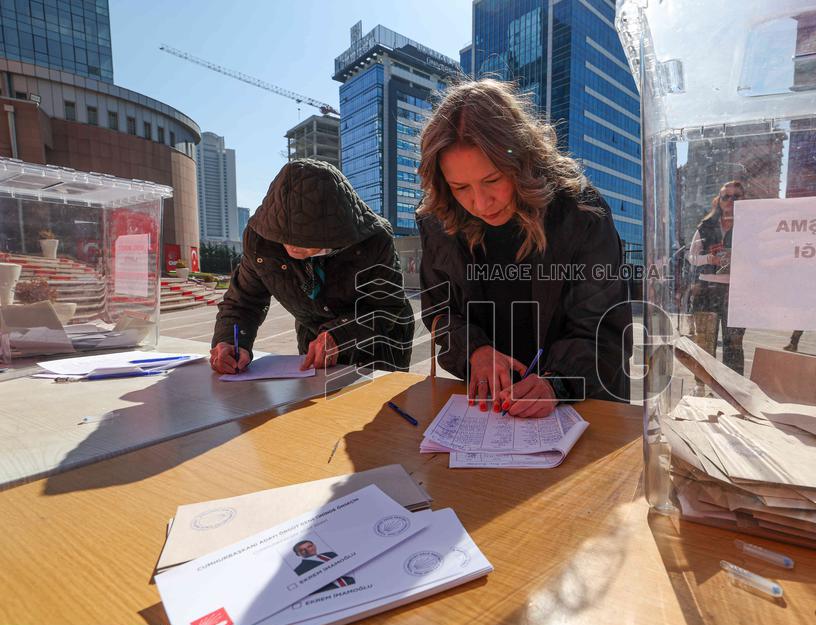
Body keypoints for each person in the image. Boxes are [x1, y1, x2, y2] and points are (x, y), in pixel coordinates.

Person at [417, 79, 632, 417]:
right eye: (460, 187)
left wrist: (557, 382)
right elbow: (440, 310)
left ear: (522, 160)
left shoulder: (581, 213)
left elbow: (606, 327)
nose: (481, 203)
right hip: (490, 409)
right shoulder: (439, 221)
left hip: (584, 406)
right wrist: (474, 349)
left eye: (492, 180)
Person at [210, 159, 413, 374]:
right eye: (285, 237)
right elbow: (243, 302)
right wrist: (231, 342)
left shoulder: (374, 239)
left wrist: (340, 334)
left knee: (374, 404)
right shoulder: (261, 240)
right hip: (313, 337)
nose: (294, 248)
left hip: (380, 342)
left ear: (333, 231)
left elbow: (386, 306)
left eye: (307, 239)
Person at [687, 180, 746, 375]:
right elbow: (691, 257)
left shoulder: (751, 226)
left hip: (736, 292)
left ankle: (734, 392)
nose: (730, 200)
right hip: (706, 290)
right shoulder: (706, 226)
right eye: (725, 197)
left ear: (743, 200)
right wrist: (709, 258)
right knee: (704, 343)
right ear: (718, 201)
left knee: (734, 346)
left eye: (736, 196)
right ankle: (702, 389)